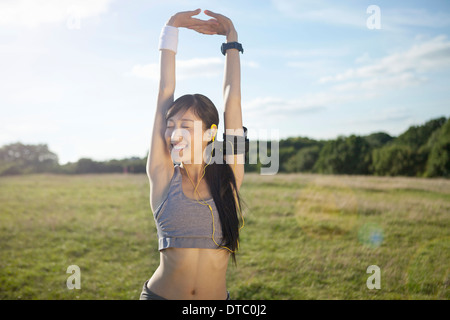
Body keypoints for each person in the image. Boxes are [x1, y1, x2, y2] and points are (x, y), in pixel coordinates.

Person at [140, 9, 246, 300]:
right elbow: (164, 90)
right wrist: (170, 29)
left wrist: (231, 41)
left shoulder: (229, 176)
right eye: (171, 125)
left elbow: (232, 101)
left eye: (185, 126)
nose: (174, 133)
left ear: (210, 133)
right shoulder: (163, 175)